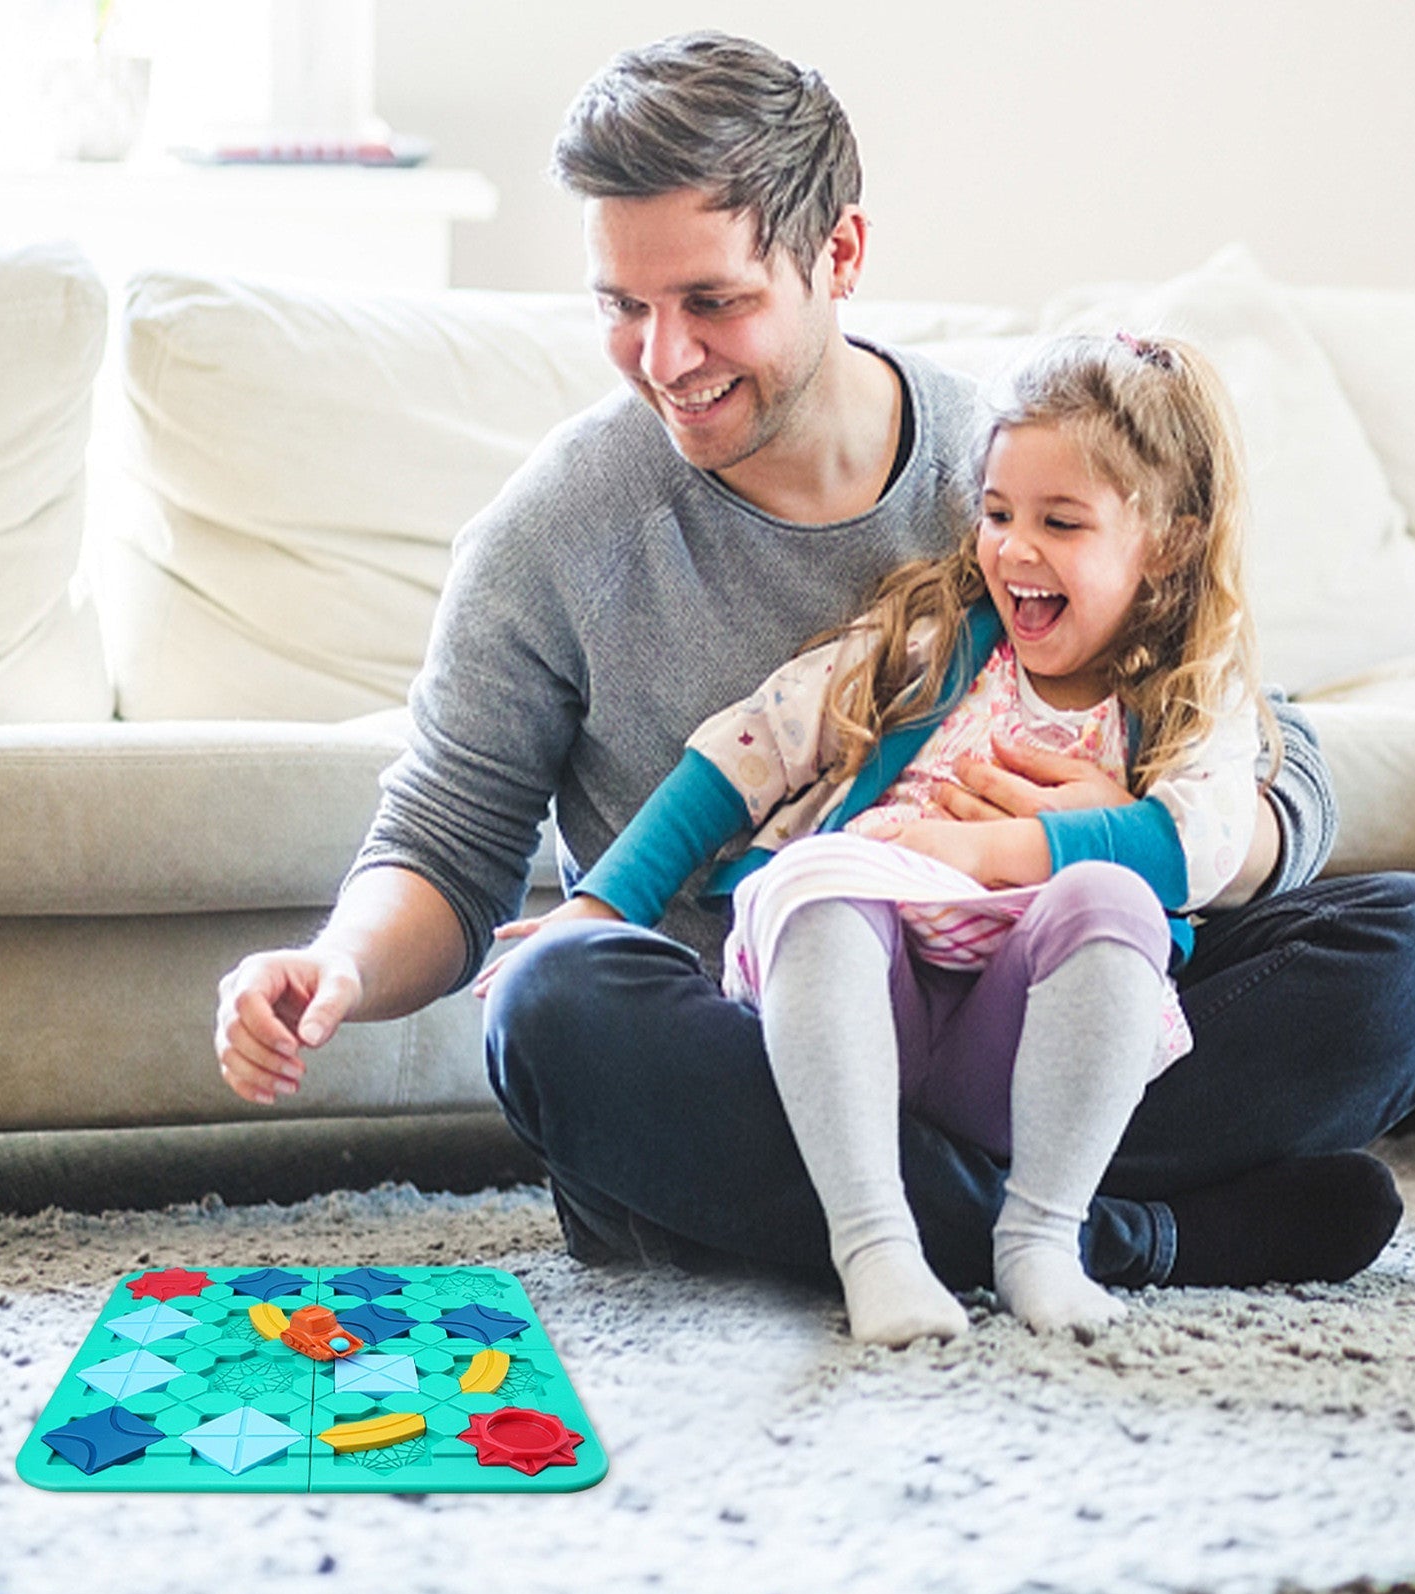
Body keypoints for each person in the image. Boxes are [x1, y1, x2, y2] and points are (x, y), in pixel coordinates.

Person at [214, 32, 1415, 1300]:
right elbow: (443, 844)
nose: (664, 358)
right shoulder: (556, 534)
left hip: (1054, 991)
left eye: (712, 301)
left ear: (838, 255)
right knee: (553, 1010)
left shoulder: (1015, 465)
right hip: (767, 1038)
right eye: (622, 308)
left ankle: (881, 1219)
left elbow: (1264, 746)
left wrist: (1117, 840)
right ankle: (1127, 1234)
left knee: (1413, 947)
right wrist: (341, 966)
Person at [476, 331, 1278, 1344]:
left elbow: (1205, 838)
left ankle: (1042, 1237)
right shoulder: (931, 641)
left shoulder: (1194, 694)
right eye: (996, 514)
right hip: (856, 1015)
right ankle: (877, 1245)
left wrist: (996, 853)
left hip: (1029, 1040)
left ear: (1165, 540)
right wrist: (600, 907)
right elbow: (749, 750)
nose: (1014, 549)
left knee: (1147, 906)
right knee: (805, 884)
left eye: (1060, 522)